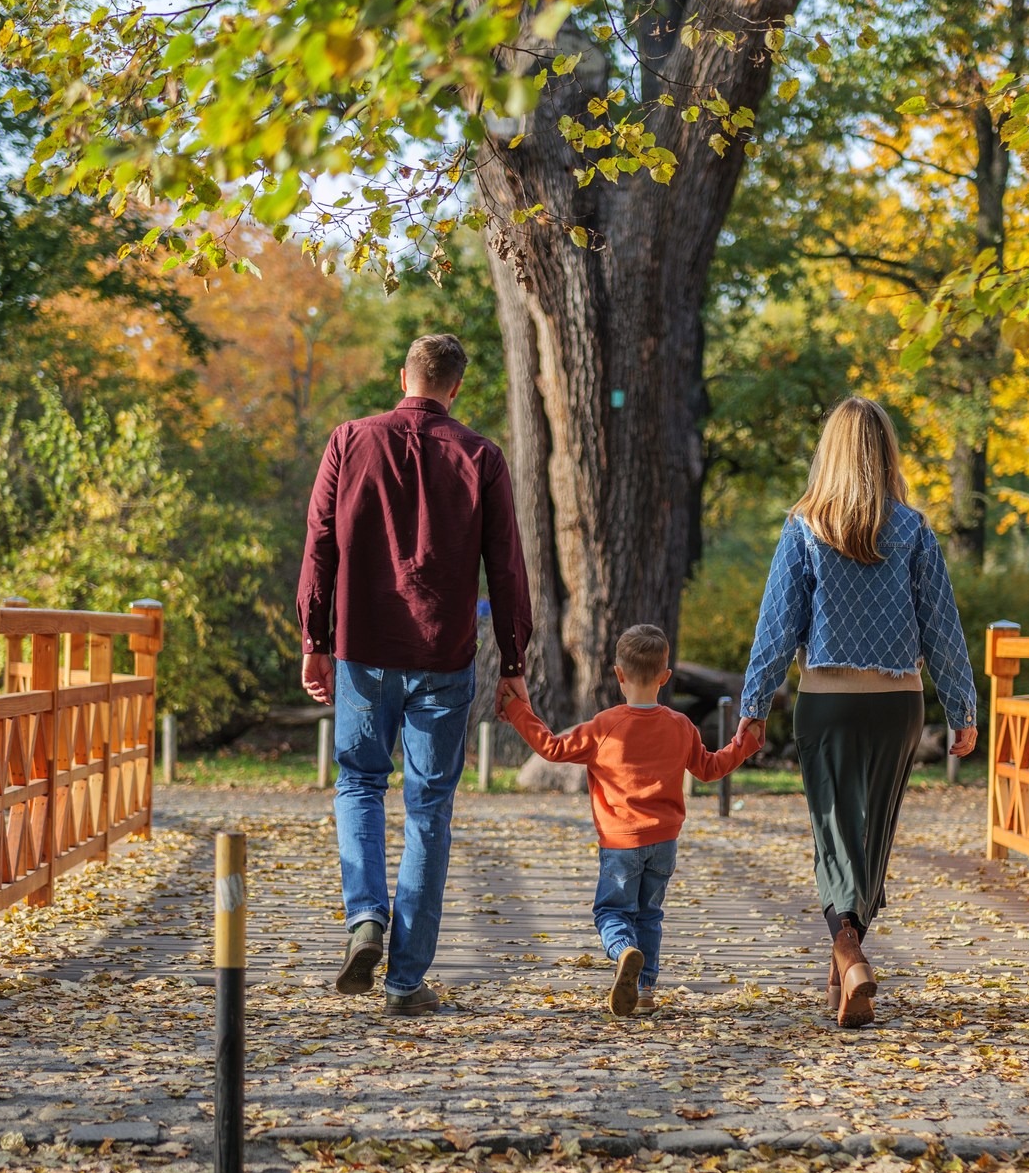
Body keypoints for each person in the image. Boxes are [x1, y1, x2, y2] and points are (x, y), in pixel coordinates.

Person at [298, 334, 533, 1015]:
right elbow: (507, 566)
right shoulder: (480, 456)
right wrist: (512, 662)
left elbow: (319, 543)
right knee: (429, 809)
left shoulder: (348, 440)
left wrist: (315, 637)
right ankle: (405, 982)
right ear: (455, 387)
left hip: (362, 648)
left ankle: (364, 916)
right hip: (444, 656)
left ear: (403, 376)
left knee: (360, 783)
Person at [736, 398, 978, 1029]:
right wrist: (962, 708)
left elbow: (775, 629)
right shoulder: (914, 529)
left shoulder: (804, 527)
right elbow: (942, 629)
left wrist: (753, 708)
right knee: (870, 836)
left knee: (834, 834)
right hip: (898, 703)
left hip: (828, 700)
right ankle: (845, 973)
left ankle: (848, 951)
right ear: (886, 454)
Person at [499, 625, 760, 1015]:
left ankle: (624, 951)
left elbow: (552, 748)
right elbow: (708, 768)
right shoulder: (680, 725)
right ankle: (646, 991)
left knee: (611, 912)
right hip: (664, 842)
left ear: (618, 675)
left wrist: (516, 709)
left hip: (620, 843)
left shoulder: (606, 726)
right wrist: (746, 743)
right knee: (650, 914)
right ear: (665, 677)